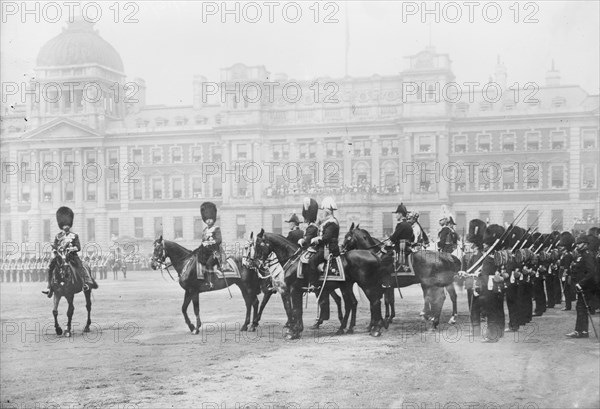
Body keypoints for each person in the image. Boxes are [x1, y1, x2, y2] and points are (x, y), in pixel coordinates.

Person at [42, 206, 97, 297]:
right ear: (61, 225)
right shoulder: (58, 236)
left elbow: (78, 247)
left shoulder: (74, 236)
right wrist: (57, 249)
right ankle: (49, 287)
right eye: (64, 225)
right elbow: (55, 246)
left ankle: (84, 284)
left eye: (67, 225)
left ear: (69, 225)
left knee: (80, 266)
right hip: (60, 256)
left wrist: (71, 248)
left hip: (71, 256)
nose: (66, 226)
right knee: (51, 267)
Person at [566, 235, 600, 338]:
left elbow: (591, 272)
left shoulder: (587, 255)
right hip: (582, 285)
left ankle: (579, 331)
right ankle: (583, 331)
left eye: (579, 243)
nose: (577, 245)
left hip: (586, 286)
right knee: (581, 308)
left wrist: (581, 283)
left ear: (585, 244)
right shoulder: (581, 255)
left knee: (581, 307)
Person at [306, 197, 340, 292]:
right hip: (325, 247)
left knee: (312, 261)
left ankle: (314, 284)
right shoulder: (327, 222)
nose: (322, 212)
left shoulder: (331, 222)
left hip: (328, 248)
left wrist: (316, 239)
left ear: (328, 210)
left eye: (324, 209)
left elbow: (326, 237)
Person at [194, 202, 222, 287]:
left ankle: (211, 282)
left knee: (209, 264)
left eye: (210, 219)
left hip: (214, 251)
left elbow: (219, 240)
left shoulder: (216, 229)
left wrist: (210, 242)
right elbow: (203, 241)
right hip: (205, 251)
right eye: (207, 219)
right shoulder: (205, 230)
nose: (208, 220)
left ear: (213, 219)